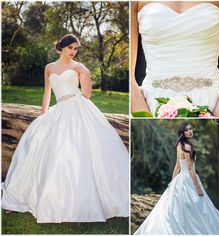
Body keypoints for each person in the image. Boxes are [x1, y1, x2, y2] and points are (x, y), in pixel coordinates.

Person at [2, 34, 129, 223]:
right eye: (70, 48)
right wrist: (43, 115)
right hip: (59, 108)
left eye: (76, 49)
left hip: (78, 107)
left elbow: (86, 94)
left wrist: (86, 73)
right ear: (61, 47)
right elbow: (46, 92)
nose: (73, 52)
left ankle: (87, 199)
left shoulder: (78, 67)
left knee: (82, 148)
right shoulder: (49, 67)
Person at [131, 1, 219, 117]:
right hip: (152, 104)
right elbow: (129, 78)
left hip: (214, 104)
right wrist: (146, 122)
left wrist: (216, 121)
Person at [134, 122, 219, 235]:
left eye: (190, 129)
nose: (190, 131)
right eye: (186, 130)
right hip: (188, 178)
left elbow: (177, 166)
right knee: (197, 207)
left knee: (179, 208)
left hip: (180, 179)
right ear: (182, 132)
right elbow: (190, 168)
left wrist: (172, 182)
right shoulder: (187, 146)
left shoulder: (179, 145)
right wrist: (197, 187)